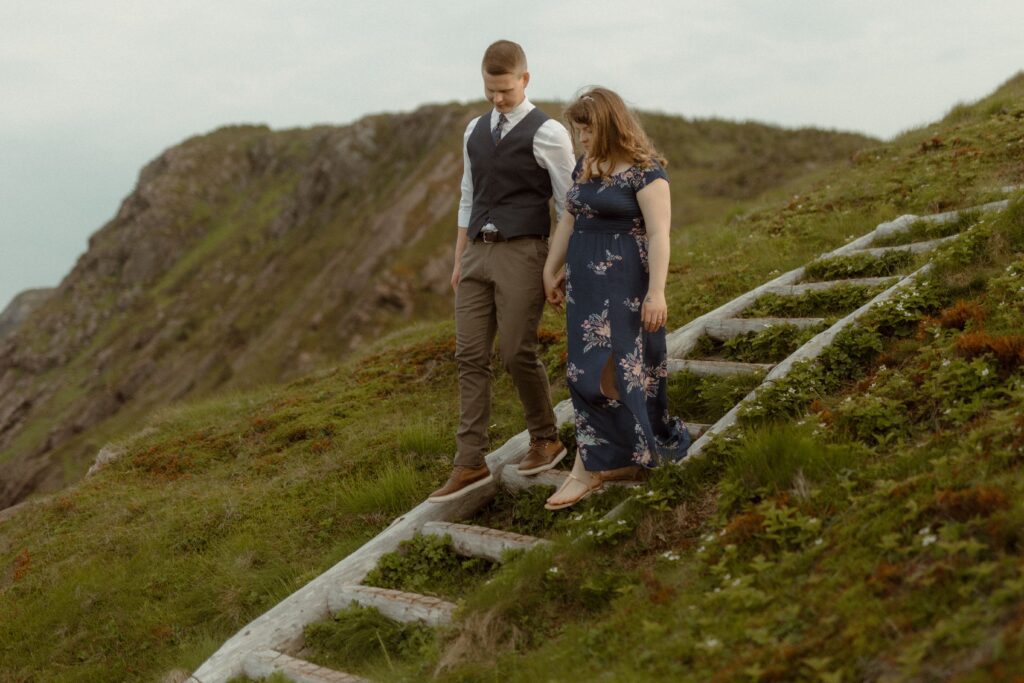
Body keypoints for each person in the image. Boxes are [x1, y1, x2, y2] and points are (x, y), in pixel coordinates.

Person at [429, 40, 577, 502]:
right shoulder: (474, 128)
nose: (497, 99)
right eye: (490, 90)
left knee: (516, 352)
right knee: (469, 356)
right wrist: (459, 259)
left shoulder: (549, 131)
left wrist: (556, 266)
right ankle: (469, 462)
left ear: (525, 80)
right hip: (476, 252)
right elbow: (467, 196)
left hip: (524, 252)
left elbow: (569, 204)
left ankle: (546, 439)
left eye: (505, 91)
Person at [542, 87, 691, 510]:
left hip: (625, 285)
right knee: (590, 374)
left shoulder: (647, 173)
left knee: (610, 372)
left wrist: (657, 292)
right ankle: (621, 457)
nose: (581, 138)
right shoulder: (585, 167)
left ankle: (587, 468)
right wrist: (550, 269)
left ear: (607, 124)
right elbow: (569, 220)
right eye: (577, 130)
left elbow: (661, 236)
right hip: (585, 287)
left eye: (586, 129)